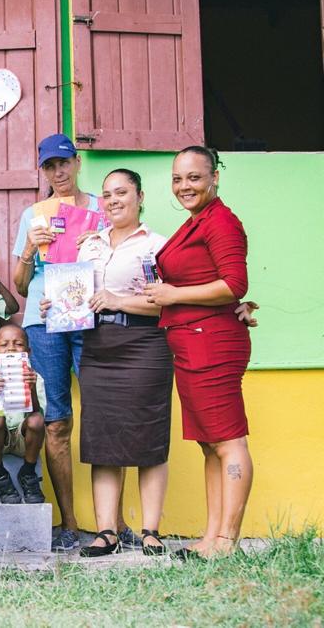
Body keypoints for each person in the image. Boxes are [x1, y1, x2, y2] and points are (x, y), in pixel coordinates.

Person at [144, 146, 254, 560]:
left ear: (214, 178)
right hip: (191, 342)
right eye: (177, 179)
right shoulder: (197, 221)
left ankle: (226, 541)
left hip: (212, 343)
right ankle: (211, 537)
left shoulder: (221, 221)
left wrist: (173, 294)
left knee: (229, 442)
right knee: (210, 444)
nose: (184, 186)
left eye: (194, 177)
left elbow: (234, 284)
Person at [70, 169, 173, 557]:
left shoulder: (158, 246)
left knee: (148, 437)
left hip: (145, 345)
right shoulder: (89, 246)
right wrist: (58, 305)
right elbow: (79, 295)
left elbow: (168, 302)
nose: (113, 201)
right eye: (107, 195)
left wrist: (117, 301)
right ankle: (106, 533)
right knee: (103, 439)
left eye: (122, 193)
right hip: (98, 347)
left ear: (139, 197)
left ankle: (150, 531)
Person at [11, 133, 102, 552]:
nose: (58, 172)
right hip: (44, 320)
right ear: (43, 171)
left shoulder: (101, 210)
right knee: (57, 420)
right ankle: (69, 522)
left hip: (91, 317)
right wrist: (30, 248)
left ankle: (111, 523)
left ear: (77, 162)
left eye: (63, 163)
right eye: (50, 166)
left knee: (104, 417)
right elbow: (21, 286)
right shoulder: (34, 214)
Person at [0, 324, 47, 505]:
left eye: (18, 344)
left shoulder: (35, 377)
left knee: (37, 420)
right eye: (4, 345)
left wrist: (31, 388)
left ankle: (28, 471)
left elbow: (38, 413)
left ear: (28, 352)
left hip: (23, 438)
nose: (11, 348)